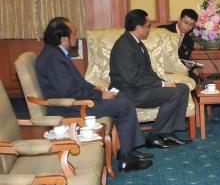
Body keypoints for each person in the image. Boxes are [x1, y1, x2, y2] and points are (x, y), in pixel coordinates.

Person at [35, 17, 151, 172]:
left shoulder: (56, 53)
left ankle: (128, 150)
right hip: (70, 108)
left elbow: (78, 83)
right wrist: (99, 96)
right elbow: (68, 92)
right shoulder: (53, 59)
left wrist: (98, 90)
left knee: (122, 96)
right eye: (74, 33)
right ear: (63, 38)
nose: (76, 36)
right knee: (125, 104)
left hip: (75, 102)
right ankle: (127, 160)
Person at [110, 9, 192, 149]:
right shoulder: (124, 46)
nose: (149, 28)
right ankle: (155, 136)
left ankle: (168, 132)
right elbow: (131, 79)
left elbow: (148, 71)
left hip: (140, 87)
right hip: (130, 91)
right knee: (173, 93)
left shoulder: (137, 43)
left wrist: (163, 82)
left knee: (183, 88)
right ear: (138, 27)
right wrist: (160, 84)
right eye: (147, 25)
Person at [158, 9, 199, 81]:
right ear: (179, 19)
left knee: (194, 79)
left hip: (177, 70)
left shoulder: (189, 41)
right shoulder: (162, 30)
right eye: (186, 23)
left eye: (191, 25)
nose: (187, 27)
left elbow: (184, 60)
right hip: (160, 68)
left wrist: (188, 65)